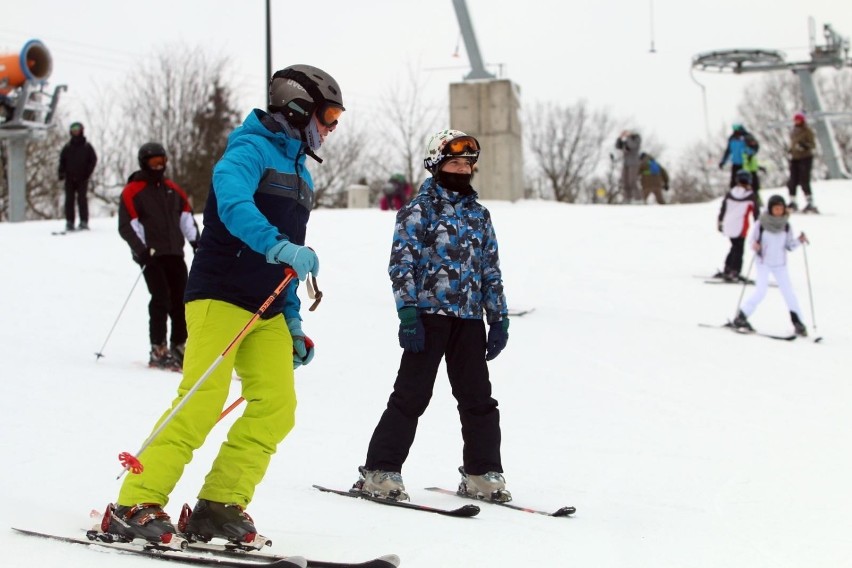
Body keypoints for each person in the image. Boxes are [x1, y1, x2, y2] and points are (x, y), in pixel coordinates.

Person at [102, 64, 343, 548]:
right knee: (201, 401)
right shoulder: (247, 150)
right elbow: (234, 208)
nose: (331, 127)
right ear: (298, 109)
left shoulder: (300, 174)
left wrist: (293, 322)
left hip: (268, 308)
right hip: (220, 295)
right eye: (329, 114)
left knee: (277, 407)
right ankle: (135, 501)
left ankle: (218, 505)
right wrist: (275, 246)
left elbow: (290, 262)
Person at [353, 129, 512, 504]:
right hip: (428, 316)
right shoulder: (418, 209)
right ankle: (380, 471)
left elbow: (490, 268)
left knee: (479, 400)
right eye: (454, 162)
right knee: (411, 395)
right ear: (436, 165)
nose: (462, 169)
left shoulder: (479, 215)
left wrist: (498, 317)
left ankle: (481, 473)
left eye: (467, 164)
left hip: (470, 318)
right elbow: (402, 262)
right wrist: (407, 311)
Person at [118, 142, 199, 370]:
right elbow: (127, 226)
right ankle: (158, 347)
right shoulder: (133, 191)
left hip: (175, 253)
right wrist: (142, 251)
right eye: (153, 162)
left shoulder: (172, 190)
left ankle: (179, 345)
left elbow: (186, 218)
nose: (158, 166)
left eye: (161, 161)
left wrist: (196, 242)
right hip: (152, 255)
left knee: (181, 300)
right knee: (160, 298)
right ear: (144, 162)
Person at [732, 194, 809, 337]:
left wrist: (800, 240)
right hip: (764, 263)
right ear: (770, 209)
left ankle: (798, 322)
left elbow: (789, 245)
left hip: (780, 265)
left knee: (789, 294)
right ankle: (741, 316)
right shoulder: (761, 223)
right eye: (776, 208)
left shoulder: (786, 225)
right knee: (761, 291)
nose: (779, 211)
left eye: (781, 208)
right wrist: (755, 246)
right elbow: (752, 241)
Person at [716, 170, 759, 282]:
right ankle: (734, 271)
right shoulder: (750, 196)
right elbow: (756, 213)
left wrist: (720, 222)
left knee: (734, 247)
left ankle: (728, 268)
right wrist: (759, 227)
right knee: (738, 249)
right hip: (741, 227)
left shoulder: (730, 193)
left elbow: (723, 209)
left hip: (728, 225)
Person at [58, 122, 98, 231]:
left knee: (82, 200)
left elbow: (93, 160)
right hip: (69, 178)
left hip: (82, 178)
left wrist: (87, 173)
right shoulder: (67, 147)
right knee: (69, 200)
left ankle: (84, 221)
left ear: (81, 130)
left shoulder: (87, 146)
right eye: (73, 129)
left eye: (77, 129)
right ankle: (69, 222)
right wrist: (61, 173)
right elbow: (62, 161)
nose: (75, 131)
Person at [786, 112, 818, 213]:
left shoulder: (807, 130)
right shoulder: (793, 131)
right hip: (795, 158)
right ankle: (792, 201)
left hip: (805, 157)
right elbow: (792, 143)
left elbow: (812, 144)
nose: (796, 121)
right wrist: (791, 150)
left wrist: (804, 146)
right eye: (795, 120)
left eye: (798, 119)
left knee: (804, 180)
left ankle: (809, 202)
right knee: (792, 181)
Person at [718, 124, 758, 188]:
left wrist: (748, 153)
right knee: (734, 182)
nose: (736, 130)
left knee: (750, 182)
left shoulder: (747, 137)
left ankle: (753, 195)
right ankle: (734, 196)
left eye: (737, 128)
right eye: (734, 128)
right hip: (736, 164)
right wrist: (723, 162)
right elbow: (728, 151)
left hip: (746, 164)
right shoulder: (732, 138)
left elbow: (754, 149)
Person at [615, 130, 642, 203]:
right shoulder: (626, 141)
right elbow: (618, 146)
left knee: (632, 181)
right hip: (626, 163)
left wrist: (629, 136)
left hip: (634, 163)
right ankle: (627, 198)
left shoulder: (636, 139)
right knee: (625, 181)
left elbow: (632, 145)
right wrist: (620, 137)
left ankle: (638, 199)